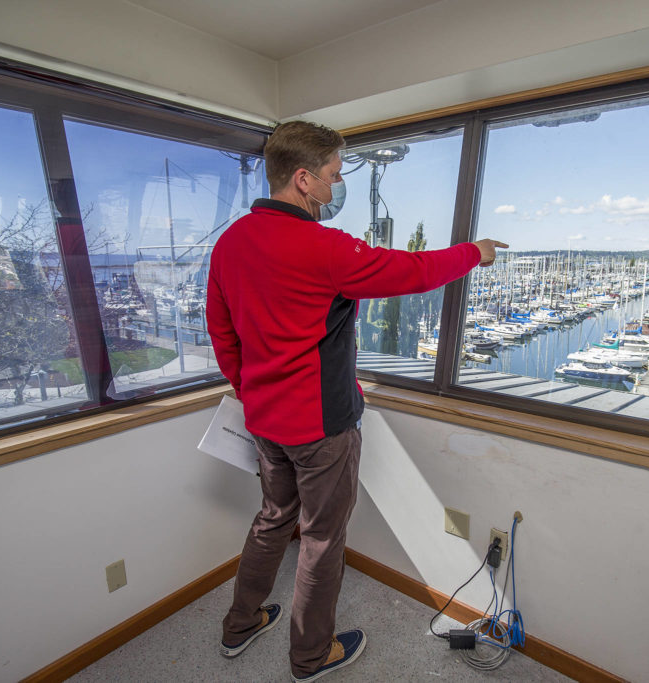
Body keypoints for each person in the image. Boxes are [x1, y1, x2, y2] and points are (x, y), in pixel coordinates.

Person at [206, 120, 507, 682]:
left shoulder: (230, 242)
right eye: (333, 175)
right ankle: (310, 656)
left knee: (273, 520)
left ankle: (240, 625)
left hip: (265, 420)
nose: (336, 186)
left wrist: (250, 393)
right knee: (321, 541)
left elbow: (223, 333)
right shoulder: (323, 246)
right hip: (321, 426)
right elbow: (412, 272)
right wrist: (476, 252)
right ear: (303, 179)